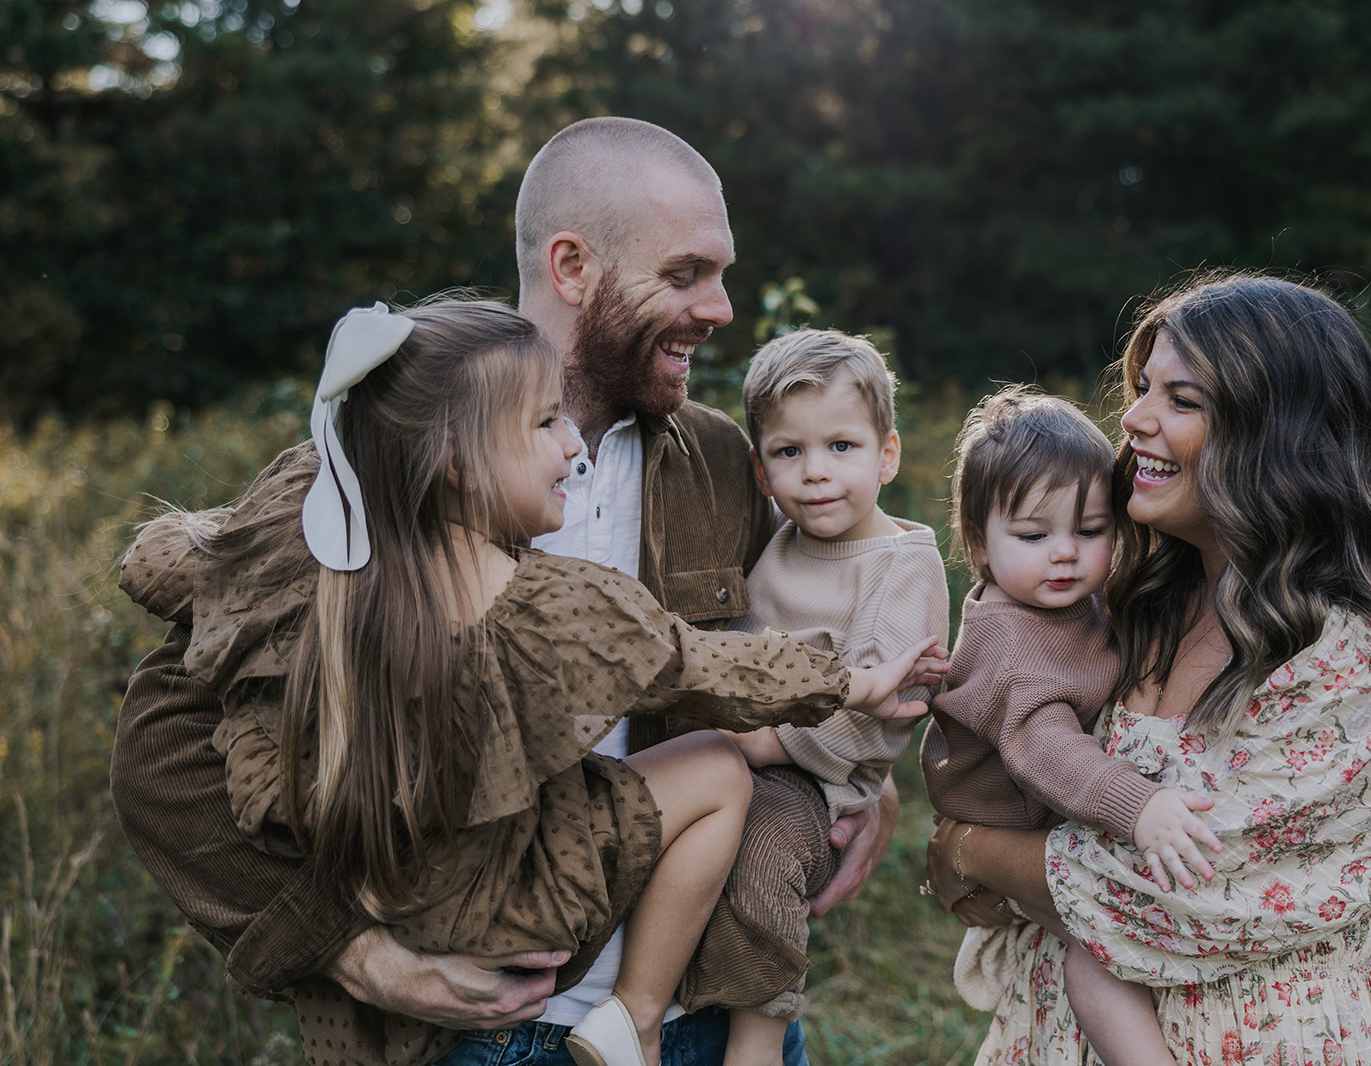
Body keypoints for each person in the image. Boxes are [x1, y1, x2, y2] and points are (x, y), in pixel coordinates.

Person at [108, 117, 901, 1065]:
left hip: (704, 1022)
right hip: (473, 1038)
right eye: (686, 273)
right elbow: (161, 755)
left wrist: (861, 773)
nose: (722, 306)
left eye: (723, 272)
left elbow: (802, 634)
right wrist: (357, 954)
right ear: (572, 267)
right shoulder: (378, 475)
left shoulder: (724, 462)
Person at [924, 272, 1371, 1065]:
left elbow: (1185, 899)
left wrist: (969, 848)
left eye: (1181, 399)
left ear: (1279, 432)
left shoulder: (1348, 652)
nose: (1131, 419)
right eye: (1141, 388)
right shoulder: (1132, 602)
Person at [918, 385, 1220, 1066]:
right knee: (1101, 953)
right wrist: (1137, 804)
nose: (1065, 553)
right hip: (1008, 817)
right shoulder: (1011, 649)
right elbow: (1047, 748)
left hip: (1041, 817)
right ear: (978, 543)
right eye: (1034, 534)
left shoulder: (1070, 601)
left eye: (1090, 531)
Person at [671, 328, 949, 1065]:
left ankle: (756, 1043)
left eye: (842, 448)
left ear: (887, 454)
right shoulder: (779, 536)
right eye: (790, 452)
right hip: (737, 754)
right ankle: (642, 1002)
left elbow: (879, 723)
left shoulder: (901, 564)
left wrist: (760, 742)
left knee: (761, 858)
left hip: (815, 780)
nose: (816, 473)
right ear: (762, 470)